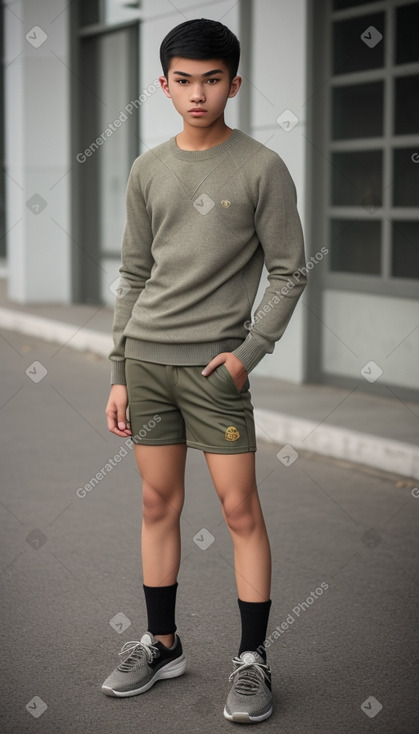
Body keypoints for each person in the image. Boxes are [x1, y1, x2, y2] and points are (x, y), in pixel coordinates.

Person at [102, 17, 307, 724]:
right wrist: (119, 368)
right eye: (183, 80)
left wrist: (249, 354)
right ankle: (163, 645)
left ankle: (252, 660)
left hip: (216, 373)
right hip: (148, 363)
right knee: (157, 507)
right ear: (163, 85)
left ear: (234, 82)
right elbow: (133, 274)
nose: (198, 93)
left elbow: (288, 272)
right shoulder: (147, 168)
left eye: (211, 79)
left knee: (239, 510)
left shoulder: (260, 168)